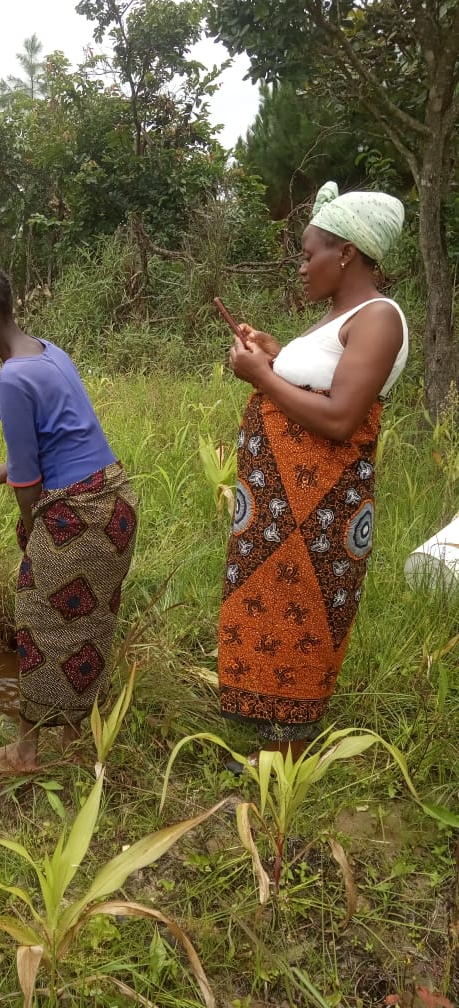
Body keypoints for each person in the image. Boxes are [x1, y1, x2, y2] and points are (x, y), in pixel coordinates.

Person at [218, 181, 408, 768]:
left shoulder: (379, 318)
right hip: (284, 505)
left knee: (305, 618)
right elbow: (318, 381)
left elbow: (343, 418)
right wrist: (274, 356)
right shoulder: (339, 316)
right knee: (272, 609)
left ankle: (289, 755)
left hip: (319, 509)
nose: (301, 267)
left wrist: (260, 377)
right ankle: (272, 747)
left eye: (308, 254)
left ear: (345, 252)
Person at [0, 248, 138, 773]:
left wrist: (32, 534)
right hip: (113, 501)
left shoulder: (12, 380)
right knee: (87, 622)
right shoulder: (48, 353)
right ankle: (77, 733)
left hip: (76, 516)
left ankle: (28, 753)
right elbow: (56, 444)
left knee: (37, 622)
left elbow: (29, 481)